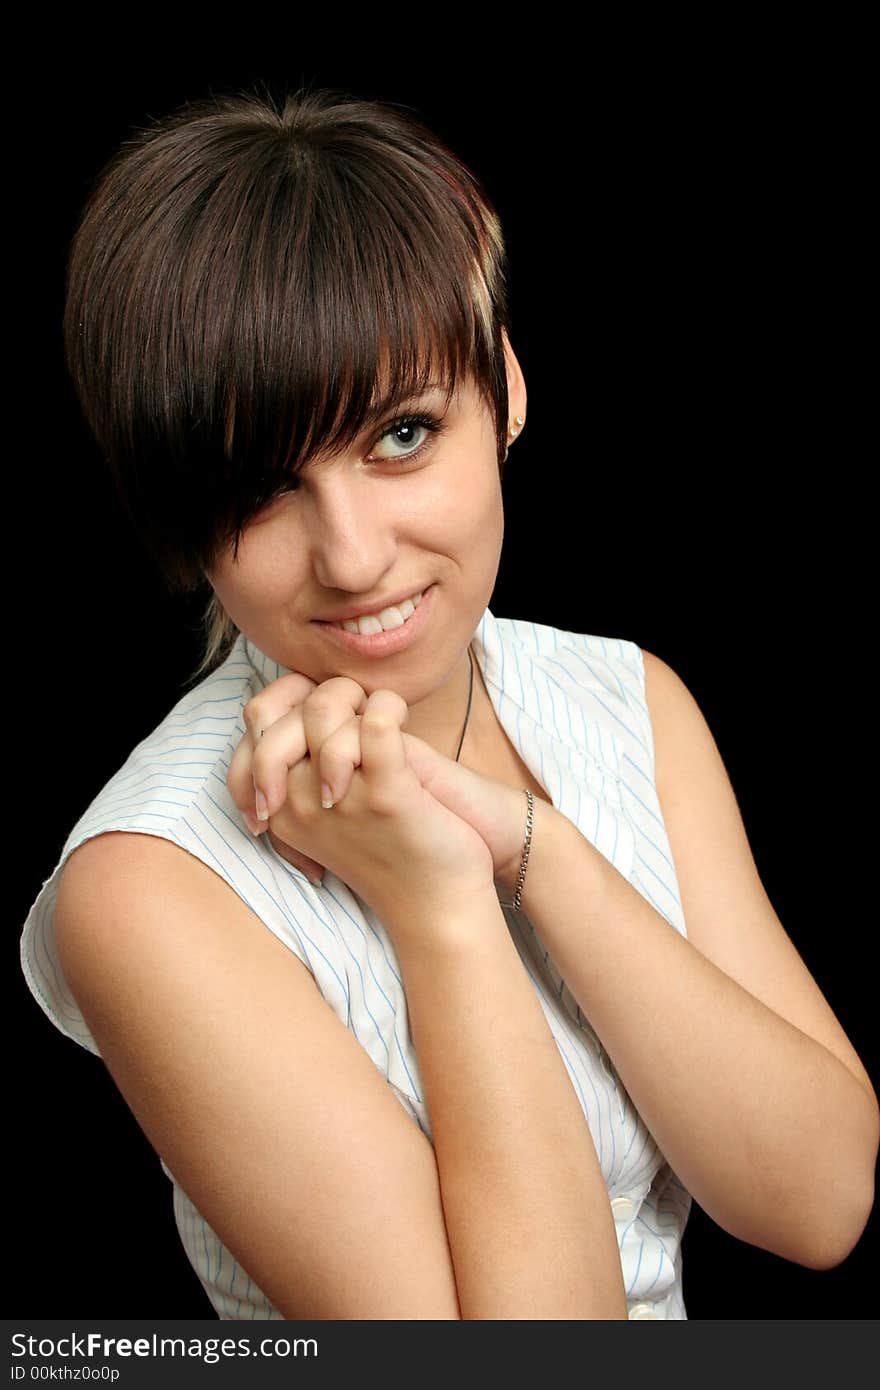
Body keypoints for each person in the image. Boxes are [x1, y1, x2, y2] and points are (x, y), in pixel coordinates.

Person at [20, 83, 878, 1321]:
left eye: (403, 434)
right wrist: (436, 907)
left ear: (507, 390)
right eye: (260, 489)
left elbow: (817, 1198)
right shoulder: (149, 888)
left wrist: (527, 844)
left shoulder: (624, 698)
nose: (355, 554)